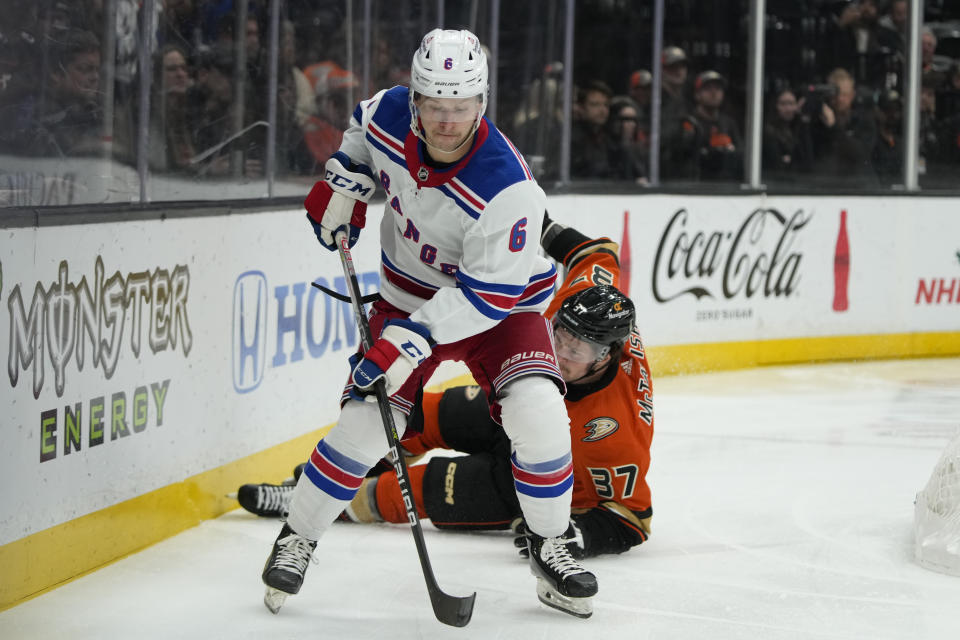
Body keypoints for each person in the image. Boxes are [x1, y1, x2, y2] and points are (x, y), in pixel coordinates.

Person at [260, 28, 597, 619]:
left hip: (501, 309)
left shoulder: (508, 188)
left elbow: (485, 298)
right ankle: (298, 537)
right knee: (366, 424)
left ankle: (550, 544)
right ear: (415, 100)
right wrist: (344, 184)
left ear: (481, 104)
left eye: (460, 107)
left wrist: (408, 342)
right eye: (435, 106)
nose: (447, 120)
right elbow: (362, 139)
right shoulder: (388, 111)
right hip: (405, 295)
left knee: (537, 410)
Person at [238, 216, 655, 563]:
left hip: (534, 479)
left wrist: (578, 534)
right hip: (529, 406)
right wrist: (529, 220)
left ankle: (336, 504)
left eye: (576, 349)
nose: (558, 350)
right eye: (559, 333)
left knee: (420, 489)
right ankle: (314, 485)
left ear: (606, 356)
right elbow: (597, 253)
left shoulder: (615, 432)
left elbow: (633, 518)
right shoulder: (586, 297)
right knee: (427, 415)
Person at [762, 86, 814, 184]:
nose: (788, 108)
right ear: (775, 106)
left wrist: (803, 122)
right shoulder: (768, 132)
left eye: (791, 104)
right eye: (783, 104)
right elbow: (777, 165)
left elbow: (808, 163)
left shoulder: (799, 128)